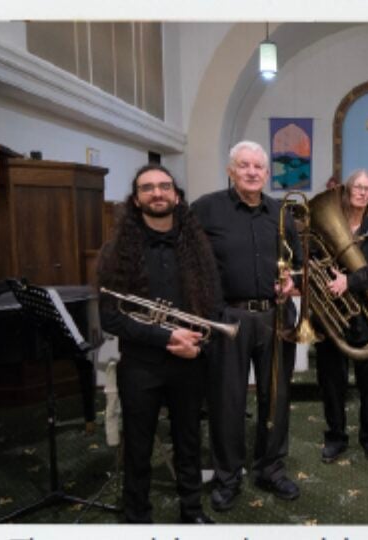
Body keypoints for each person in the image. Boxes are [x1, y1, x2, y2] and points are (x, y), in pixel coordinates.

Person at [97, 163, 219, 524]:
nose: (157, 193)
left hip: (189, 361)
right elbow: (111, 319)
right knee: (138, 446)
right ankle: (137, 516)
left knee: (189, 442)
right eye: (147, 188)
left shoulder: (198, 250)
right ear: (136, 200)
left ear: (176, 196)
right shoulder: (115, 252)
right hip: (140, 366)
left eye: (164, 186)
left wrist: (198, 346)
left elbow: (212, 309)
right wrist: (167, 336)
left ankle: (192, 511)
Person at [192, 140, 302, 510]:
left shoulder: (282, 213)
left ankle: (271, 468)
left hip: (275, 316)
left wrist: (291, 281)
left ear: (267, 173)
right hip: (228, 317)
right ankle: (228, 476)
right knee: (227, 401)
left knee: (276, 399)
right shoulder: (206, 209)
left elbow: (298, 263)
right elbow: (188, 262)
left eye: (258, 167)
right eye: (244, 165)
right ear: (230, 170)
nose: (252, 172)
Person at [315, 169, 368, 463]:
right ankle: (335, 437)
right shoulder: (325, 223)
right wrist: (329, 279)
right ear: (347, 191)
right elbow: (313, 258)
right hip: (332, 313)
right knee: (331, 381)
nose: (363, 192)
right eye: (358, 187)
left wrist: (349, 281)